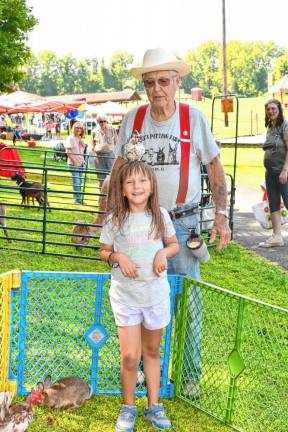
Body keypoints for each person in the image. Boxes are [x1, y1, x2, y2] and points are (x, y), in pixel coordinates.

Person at [101, 48, 231, 400]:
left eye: (163, 81)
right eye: (149, 82)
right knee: (139, 296)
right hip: (136, 228)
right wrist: (105, 215)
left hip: (183, 225)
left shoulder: (193, 118)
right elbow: (117, 171)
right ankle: (142, 372)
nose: (156, 89)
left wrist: (221, 214)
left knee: (189, 303)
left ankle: (189, 376)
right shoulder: (133, 118)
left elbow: (215, 167)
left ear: (178, 81)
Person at [99, 160, 180, 431]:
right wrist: (117, 256)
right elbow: (103, 251)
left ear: (152, 185)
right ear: (121, 189)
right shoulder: (114, 220)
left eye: (143, 181)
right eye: (130, 182)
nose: (137, 187)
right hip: (126, 297)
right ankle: (128, 406)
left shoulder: (160, 215)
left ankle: (154, 405)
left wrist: (162, 253)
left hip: (155, 294)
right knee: (131, 356)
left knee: (152, 351)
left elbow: (174, 245)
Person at [259, 99, 288, 247]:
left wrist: (285, 170)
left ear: (279, 109)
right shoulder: (271, 127)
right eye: (268, 109)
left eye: (273, 108)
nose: (270, 111)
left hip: (283, 173)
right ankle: (277, 236)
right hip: (270, 173)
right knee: (274, 203)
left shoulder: (285, 125)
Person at [90, 114, 117, 186]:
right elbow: (92, 145)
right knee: (101, 178)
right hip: (99, 156)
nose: (103, 123)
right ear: (98, 122)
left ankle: (111, 195)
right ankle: (102, 196)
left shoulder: (112, 129)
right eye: (101, 121)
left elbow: (117, 142)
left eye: (104, 121)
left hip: (110, 155)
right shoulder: (94, 131)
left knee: (113, 176)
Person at [64, 121, 86, 205]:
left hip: (81, 163)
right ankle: (77, 200)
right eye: (77, 127)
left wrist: (82, 161)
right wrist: (75, 162)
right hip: (73, 164)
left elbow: (82, 152)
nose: (79, 129)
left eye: (80, 128)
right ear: (74, 128)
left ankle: (79, 199)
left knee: (80, 182)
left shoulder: (80, 139)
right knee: (76, 182)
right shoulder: (70, 138)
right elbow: (68, 152)